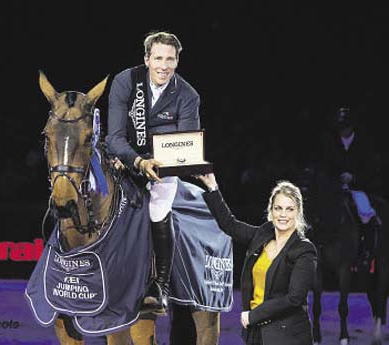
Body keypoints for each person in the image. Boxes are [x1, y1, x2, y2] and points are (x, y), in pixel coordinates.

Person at [106, 30, 200, 314]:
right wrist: (136, 161)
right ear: (146, 59)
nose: (164, 65)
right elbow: (114, 138)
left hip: (163, 168)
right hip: (125, 160)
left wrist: (153, 163)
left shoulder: (188, 95)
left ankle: (160, 286)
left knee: (159, 208)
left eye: (170, 59)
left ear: (177, 61)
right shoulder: (125, 81)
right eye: (158, 58)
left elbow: (186, 145)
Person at [196, 173, 316, 345]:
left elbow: (294, 298)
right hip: (257, 333)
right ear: (271, 210)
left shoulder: (304, 250)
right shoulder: (262, 235)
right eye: (278, 208)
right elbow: (229, 224)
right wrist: (212, 187)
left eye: (289, 209)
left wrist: (254, 315)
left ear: (298, 212)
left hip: (287, 336)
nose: (283, 215)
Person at [319, 106, 383, 265]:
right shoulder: (332, 143)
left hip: (357, 188)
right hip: (335, 187)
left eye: (345, 126)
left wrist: (354, 177)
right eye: (340, 127)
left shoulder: (363, 143)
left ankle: (366, 249)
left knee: (365, 211)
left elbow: (370, 169)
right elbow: (327, 166)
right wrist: (336, 178)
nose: (342, 130)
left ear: (351, 126)